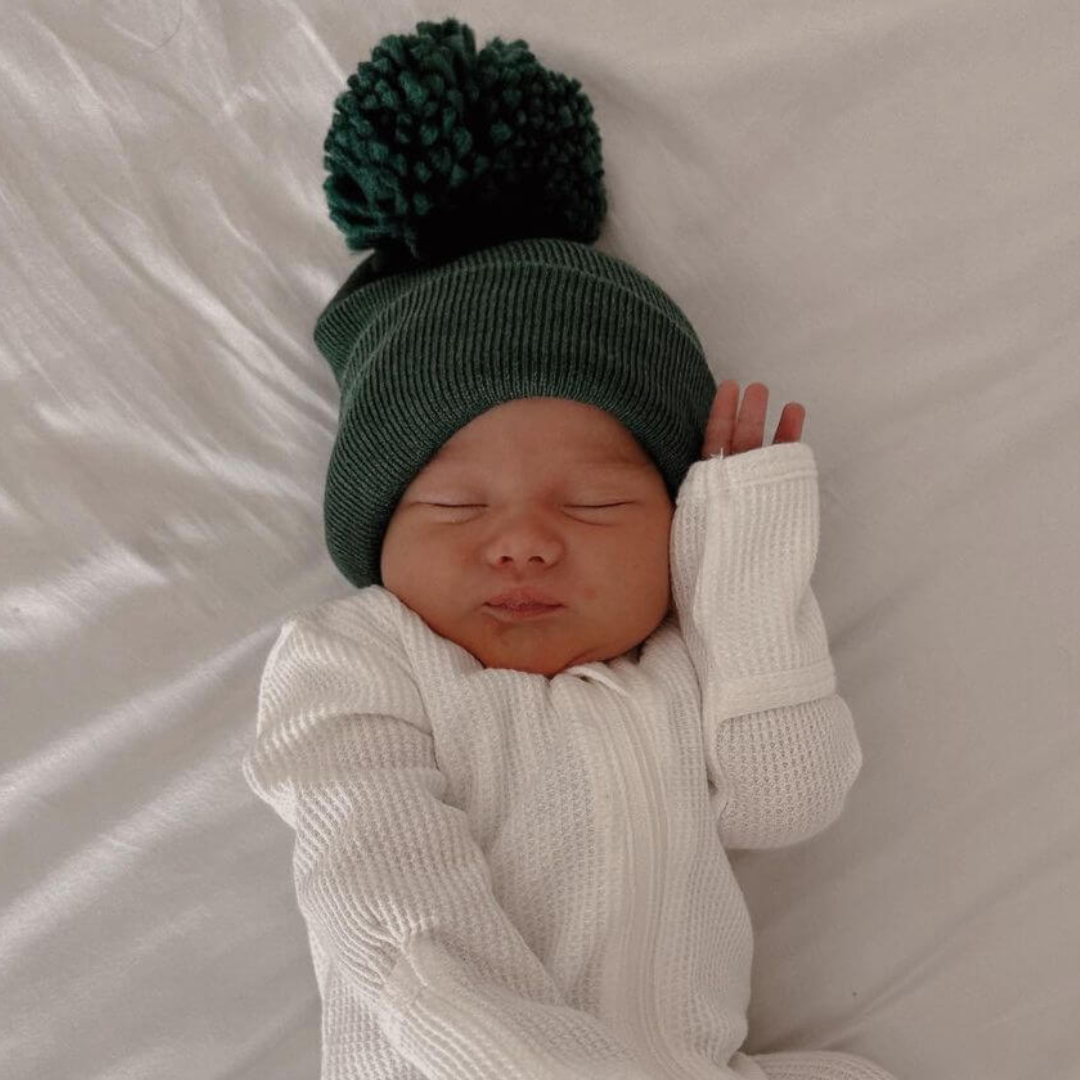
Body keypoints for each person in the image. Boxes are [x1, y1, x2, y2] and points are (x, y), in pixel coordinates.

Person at [241, 17, 901, 1080]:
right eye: (456, 506)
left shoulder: (679, 666)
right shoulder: (357, 666)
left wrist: (741, 569)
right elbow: (390, 914)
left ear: (673, 530)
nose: (525, 546)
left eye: (595, 505)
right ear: (375, 530)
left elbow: (789, 796)